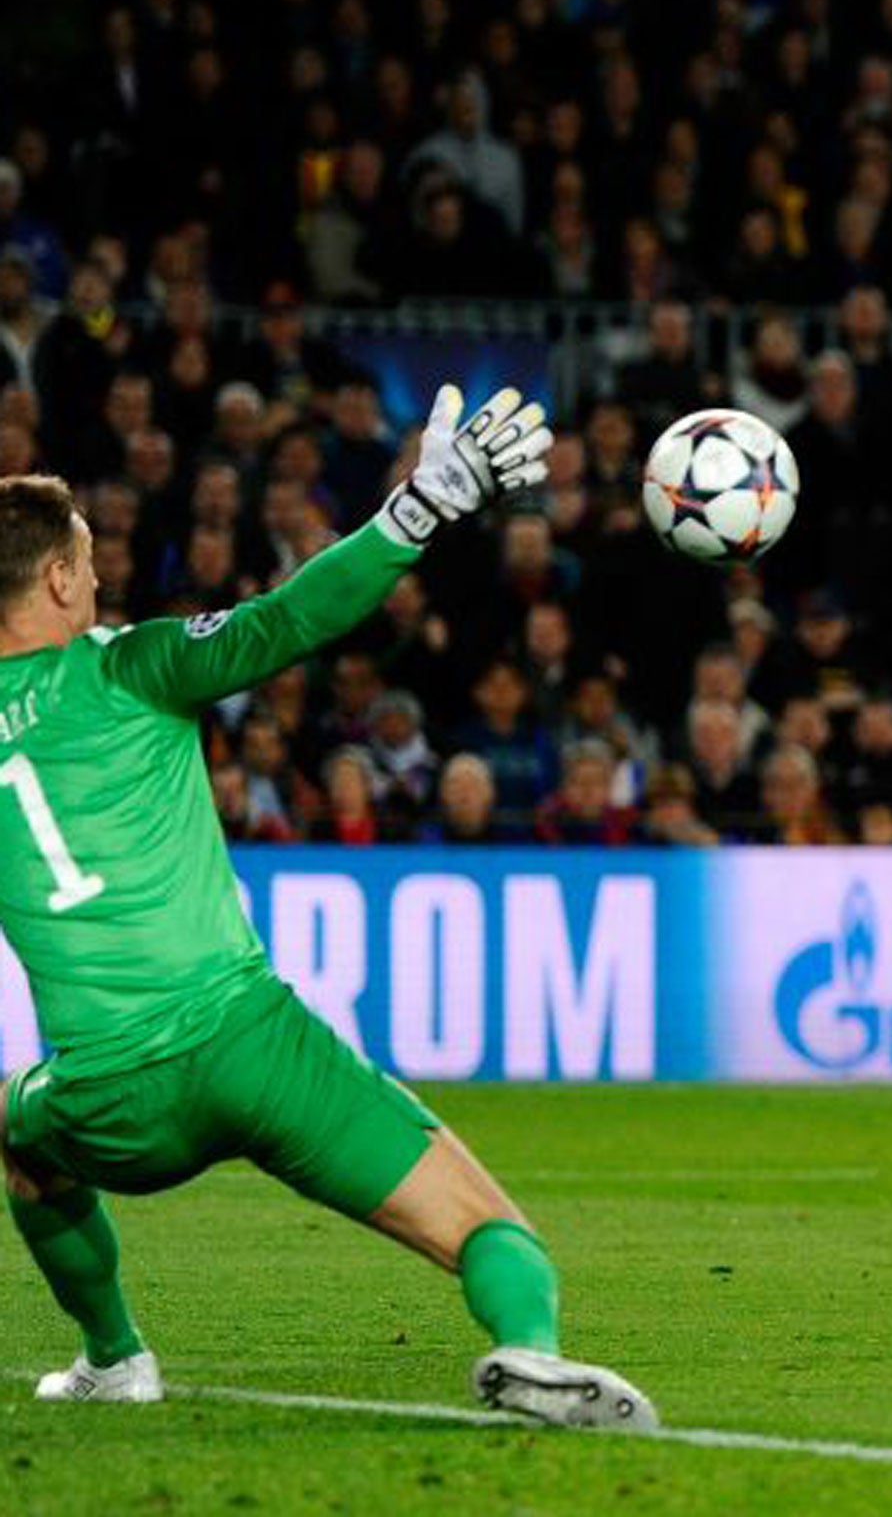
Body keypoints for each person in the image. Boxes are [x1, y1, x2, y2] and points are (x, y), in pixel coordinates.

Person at [0, 385, 657, 1428]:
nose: (102, 574)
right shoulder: (133, 665)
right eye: (90, 555)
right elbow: (289, 618)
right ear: (60, 574)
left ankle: (115, 1358)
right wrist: (422, 505)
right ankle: (530, 1348)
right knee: (490, 1232)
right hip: (252, 1050)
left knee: (19, 1132)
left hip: (108, 1098)